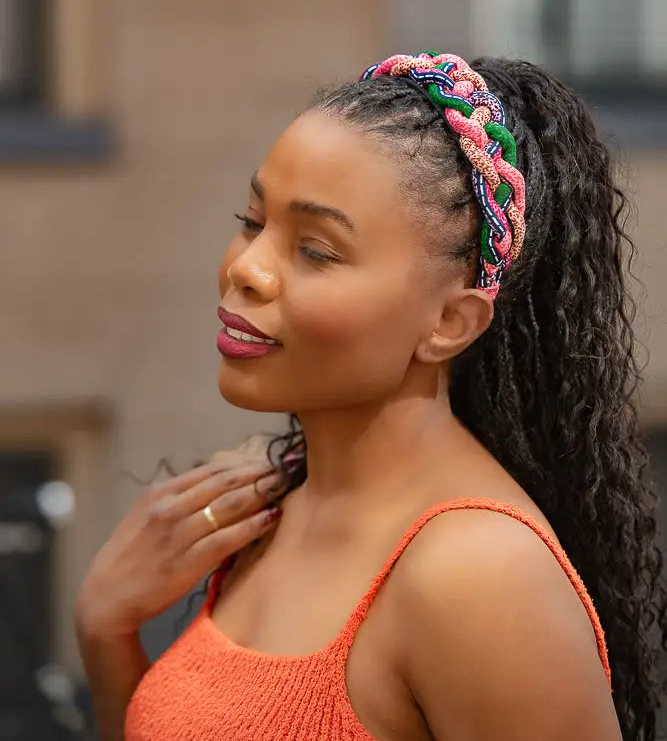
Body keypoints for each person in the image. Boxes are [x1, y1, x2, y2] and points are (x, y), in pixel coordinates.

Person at [75, 53, 666, 741]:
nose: (247, 268)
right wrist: (106, 629)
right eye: (252, 220)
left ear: (449, 323)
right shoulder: (272, 506)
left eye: (317, 251)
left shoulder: (480, 576)